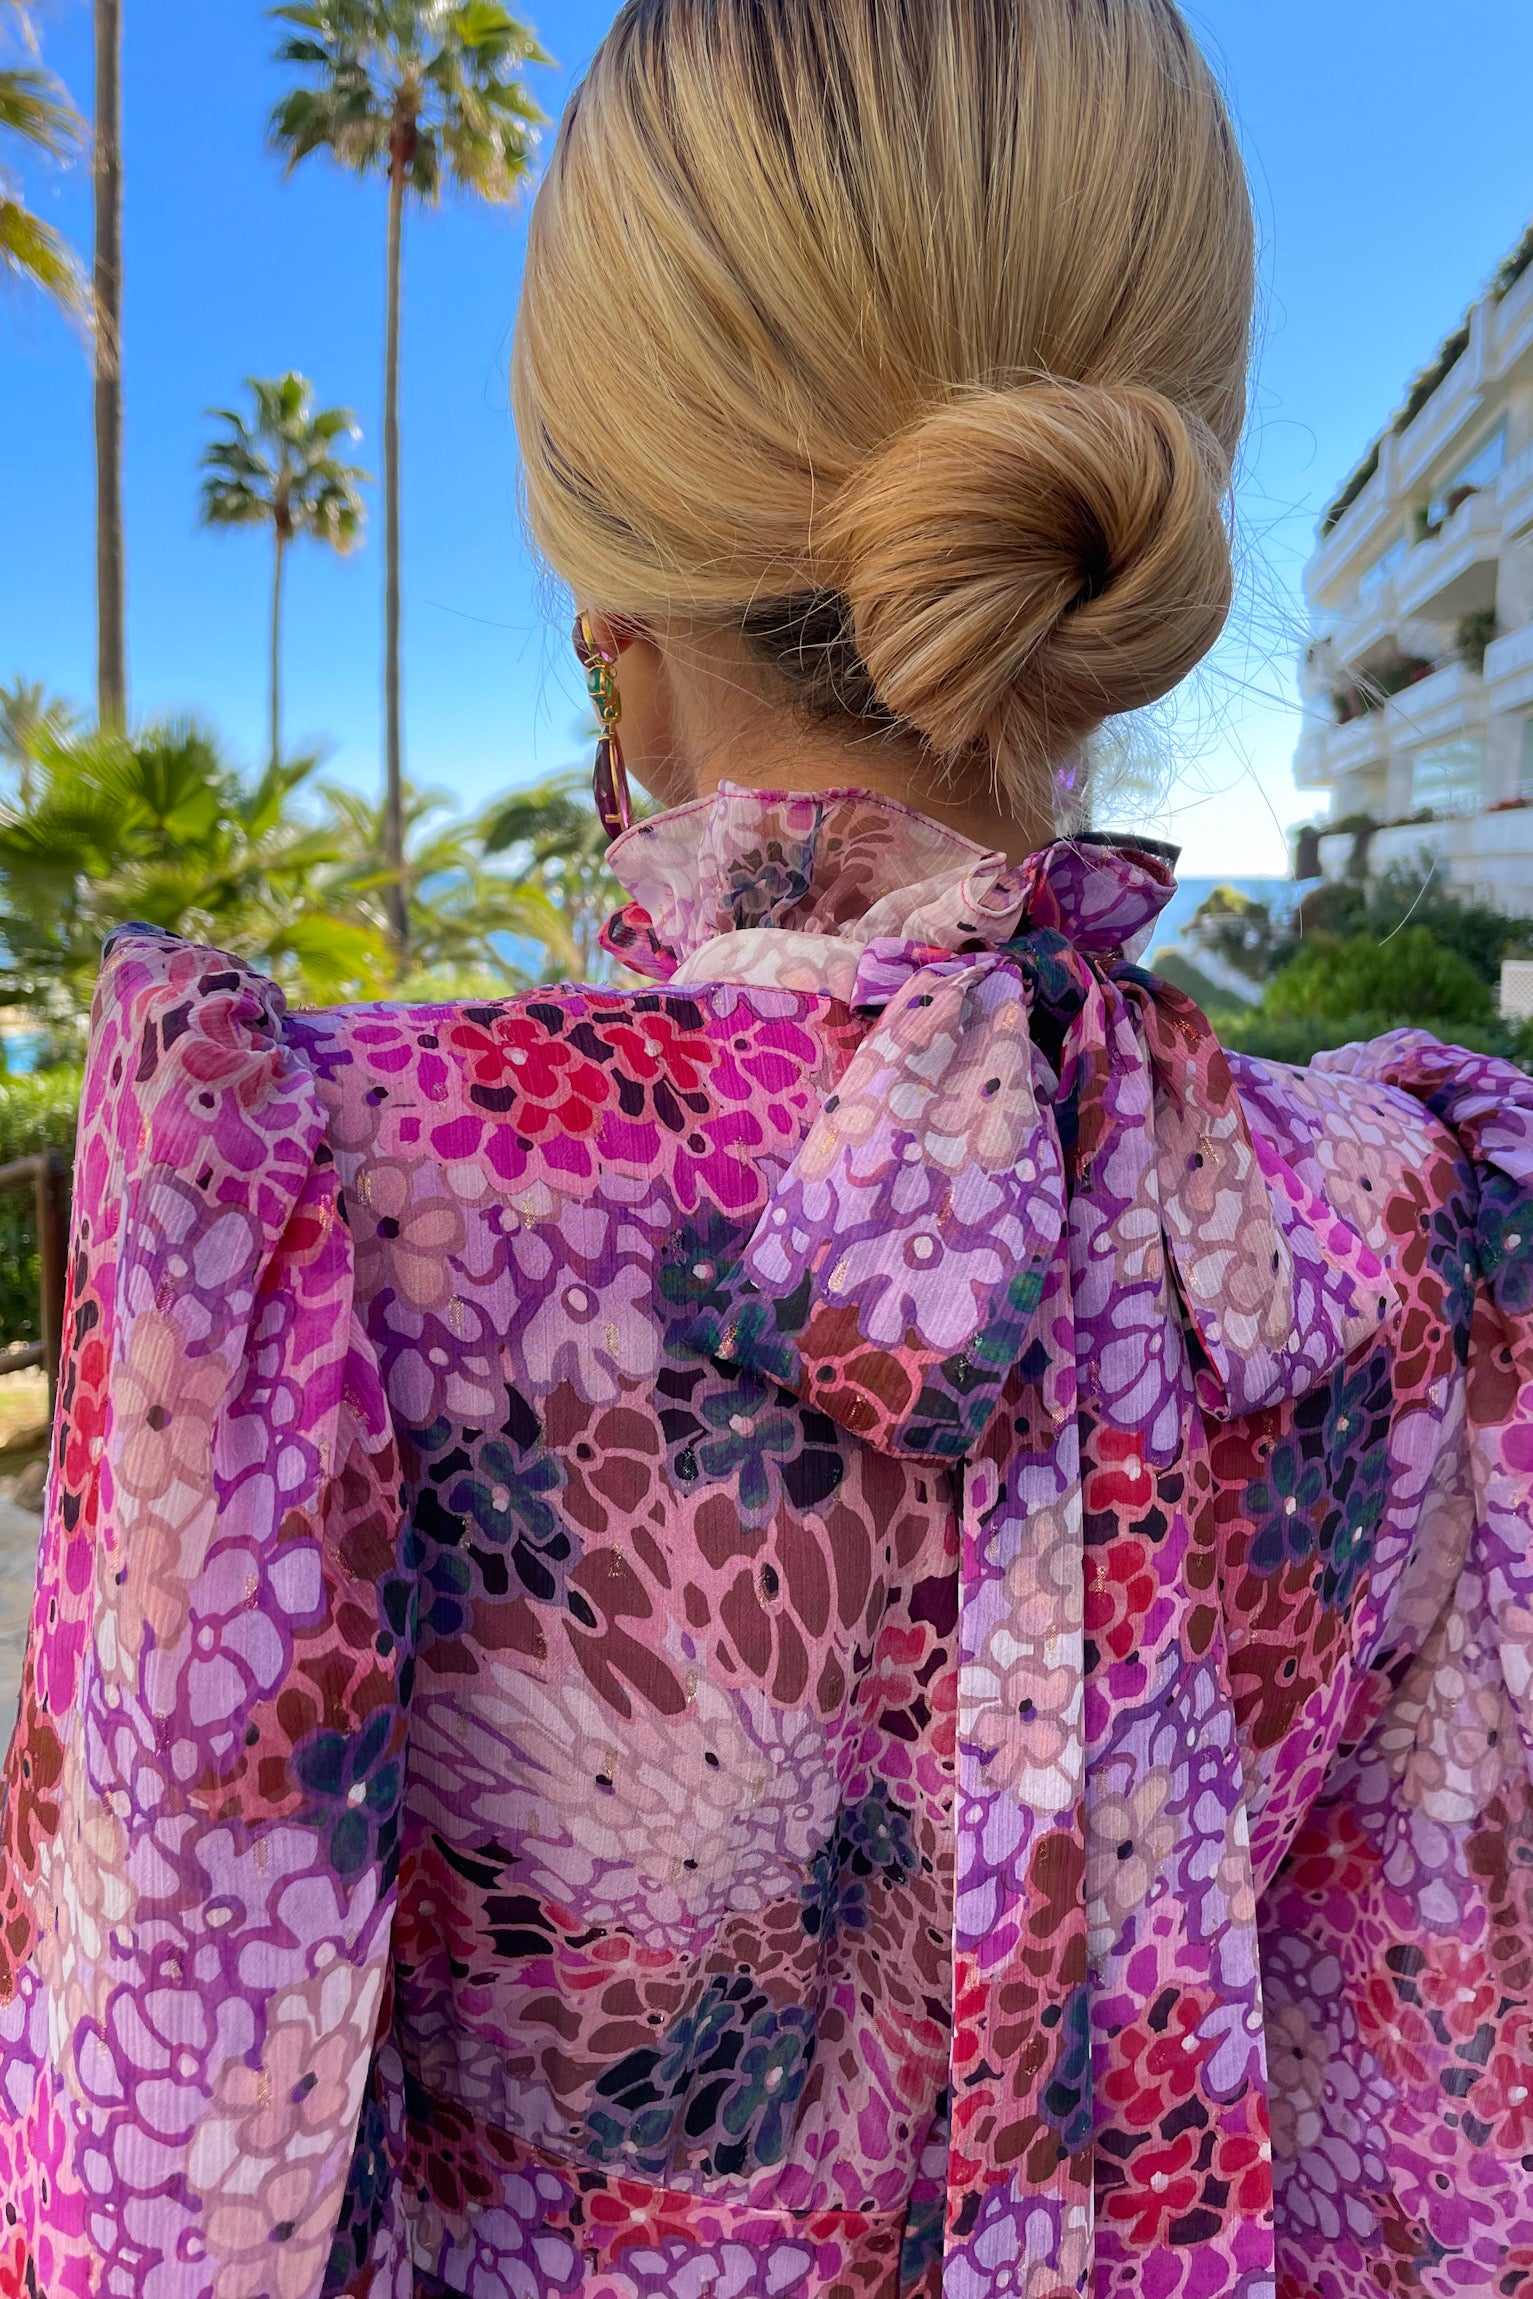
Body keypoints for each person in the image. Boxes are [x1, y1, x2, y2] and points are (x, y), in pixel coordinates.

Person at [2, 1, 1531, 2294]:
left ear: (601, 599)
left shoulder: (339, 1198)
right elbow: (1423, 2126)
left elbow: (156, 2187)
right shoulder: (1425, 1219)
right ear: (1128, 520)